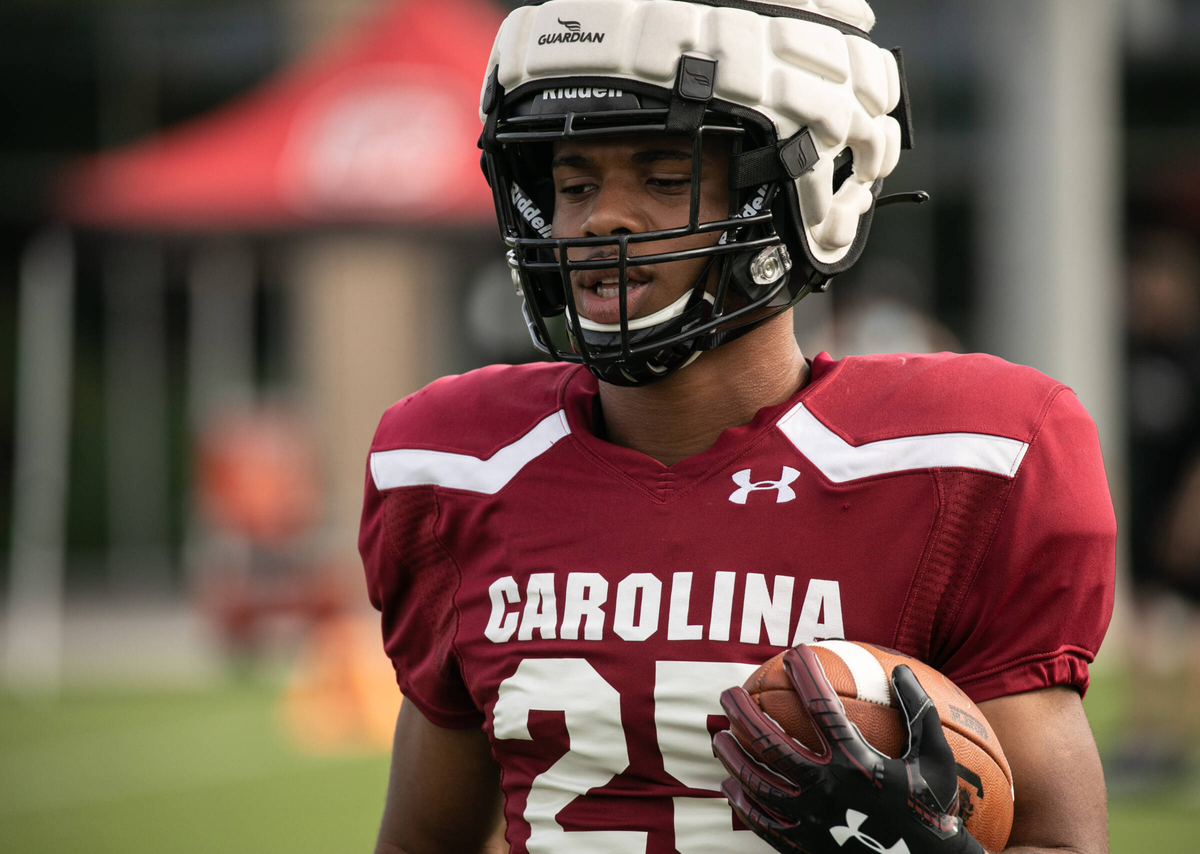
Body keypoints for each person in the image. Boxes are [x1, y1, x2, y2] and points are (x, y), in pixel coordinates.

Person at [359, 2, 1114, 853]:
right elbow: (425, 840)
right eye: (574, 185)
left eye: (663, 177)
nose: (602, 219)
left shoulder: (952, 467)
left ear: (803, 188)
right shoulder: (461, 469)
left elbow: (1062, 839)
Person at [1110, 231, 1200, 789]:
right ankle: (1146, 732)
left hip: (1195, 505)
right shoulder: (1133, 348)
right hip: (1148, 504)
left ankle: (1192, 738)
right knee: (1143, 614)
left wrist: (1197, 518)